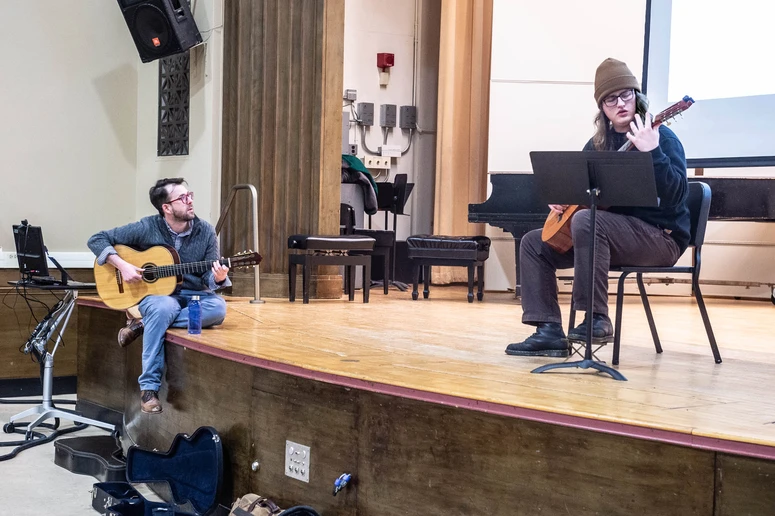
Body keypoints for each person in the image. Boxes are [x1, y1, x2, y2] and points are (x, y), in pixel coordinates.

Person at [505, 58, 691, 357]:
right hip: (606, 237)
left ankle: (596, 318)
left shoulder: (662, 138)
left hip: (661, 238)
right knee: (533, 242)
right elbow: (581, 194)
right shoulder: (597, 145)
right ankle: (549, 330)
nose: (620, 103)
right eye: (610, 99)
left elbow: (677, 197)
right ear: (602, 108)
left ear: (637, 97)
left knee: (589, 222)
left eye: (626, 95)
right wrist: (562, 198)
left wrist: (653, 152)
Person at [88, 178, 230, 413]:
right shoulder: (147, 227)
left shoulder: (205, 232)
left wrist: (218, 278)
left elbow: (208, 277)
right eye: (183, 198)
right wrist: (122, 265)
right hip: (159, 298)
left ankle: (143, 323)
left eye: (190, 195)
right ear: (166, 207)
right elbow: (97, 239)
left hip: (194, 295)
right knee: (162, 309)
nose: (190, 201)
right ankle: (149, 389)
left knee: (218, 309)